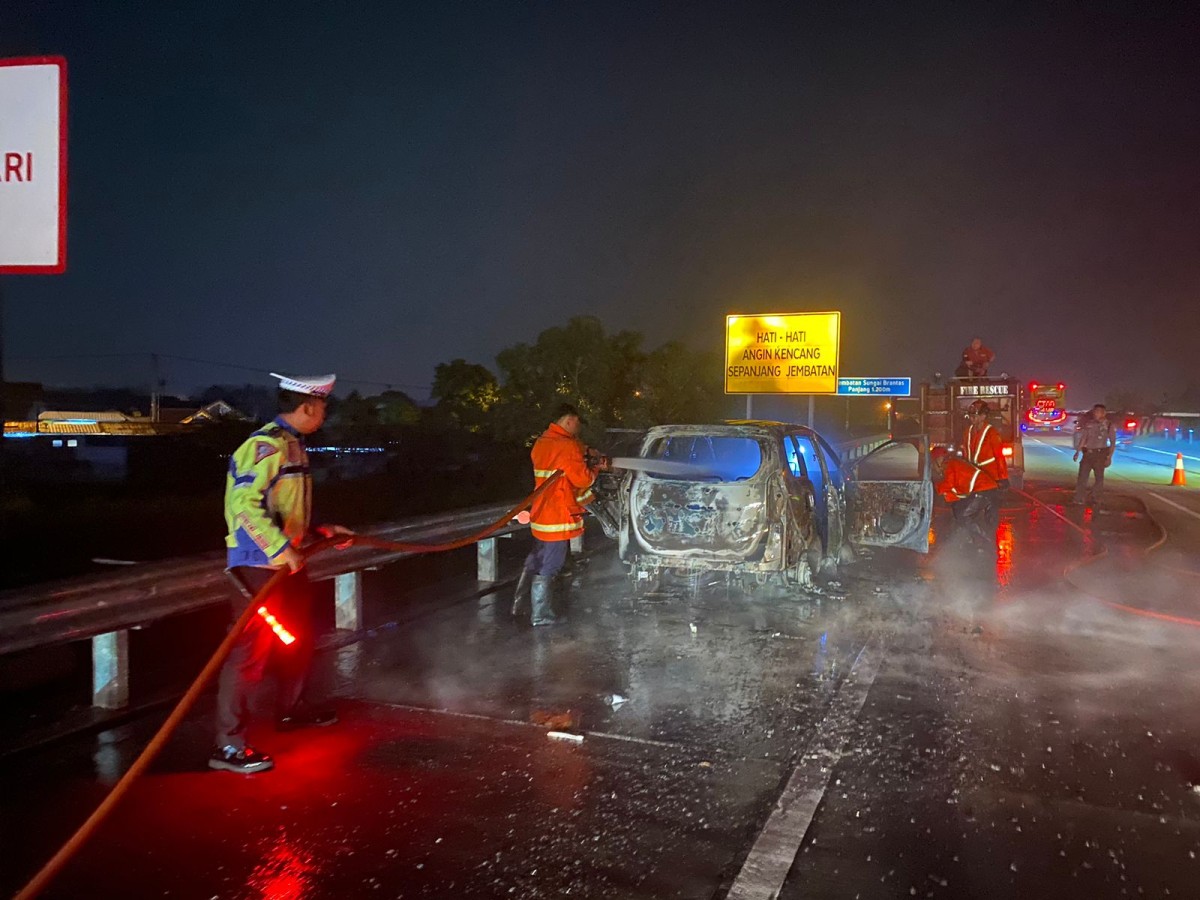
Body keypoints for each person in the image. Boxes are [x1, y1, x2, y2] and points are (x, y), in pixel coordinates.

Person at [210, 372, 354, 774]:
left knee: (299, 640)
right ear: (308, 407)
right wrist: (278, 548)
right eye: (323, 406)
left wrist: (319, 532)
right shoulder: (264, 446)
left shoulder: (294, 447)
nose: (324, 412)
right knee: (248, 656)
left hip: (287, 565)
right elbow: (244, 507)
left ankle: (291, 710)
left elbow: (284, 510)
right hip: (258, 569)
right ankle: (229, 746)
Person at [512, 404, 606, 626]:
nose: (578, 427)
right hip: (557, 515)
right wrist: (597, 468)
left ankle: (519, 605)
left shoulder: (542, 442)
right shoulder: (567, 445)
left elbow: (566, 458)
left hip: (542, 512)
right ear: (569, 420)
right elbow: (583, 480)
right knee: (551, 564)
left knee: (537, 559)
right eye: (577, 423)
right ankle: (541, 616)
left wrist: (587, 451)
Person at [931, 446, 1000, 552]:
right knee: (959, 509)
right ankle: (970, 540)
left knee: (962, 515)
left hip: (983, 490)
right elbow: (958, 490)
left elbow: (949, 485)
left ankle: (984, 541)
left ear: (939, 459)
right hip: (984, 489)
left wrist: (936, 488)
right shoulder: (952, 464)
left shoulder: (950, 465)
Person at [963, 400, 1009, 526]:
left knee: (991, 510)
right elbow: (967, 453)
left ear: (983, 416)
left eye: (975, 415)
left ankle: (990, 536)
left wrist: (1003, 477)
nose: (972, 418)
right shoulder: (968, 431)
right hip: (975, 477)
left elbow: (999, 456)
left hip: (990, 477)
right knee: (970, 509)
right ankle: (977, 537)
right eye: (971, 416)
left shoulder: (991, 433)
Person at [1073, 403, 1116, 507]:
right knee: (1082, 477)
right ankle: (1079, 498)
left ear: (1103, 413)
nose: (1095, 413)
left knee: (1099, 479)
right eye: (1094, 411)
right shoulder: (1089, 424)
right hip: (1088, 454)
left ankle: (1096, 498)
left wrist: (1109, 457)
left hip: (1100, 455)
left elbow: (1113, 442)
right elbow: (1084, 438)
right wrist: (1078, 452)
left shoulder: (1109, 425)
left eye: (1097, 411)